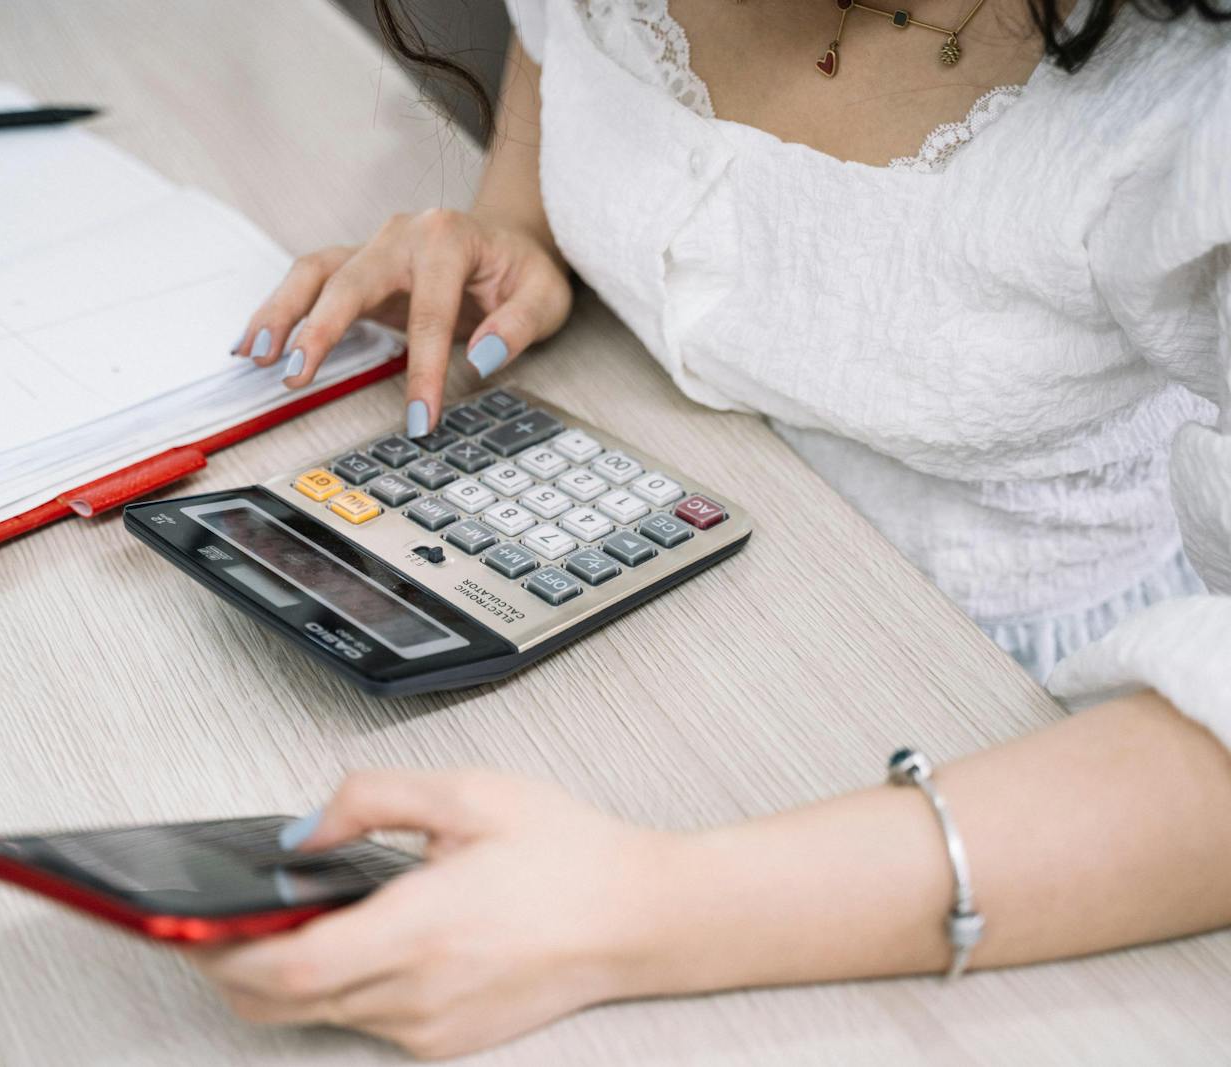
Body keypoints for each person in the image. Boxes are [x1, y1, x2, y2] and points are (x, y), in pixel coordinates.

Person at [210, 1, 1231, 1058]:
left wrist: (628, 910)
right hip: (691, 619)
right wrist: (514, 230)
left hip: (1030, 742)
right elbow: (560, 66)